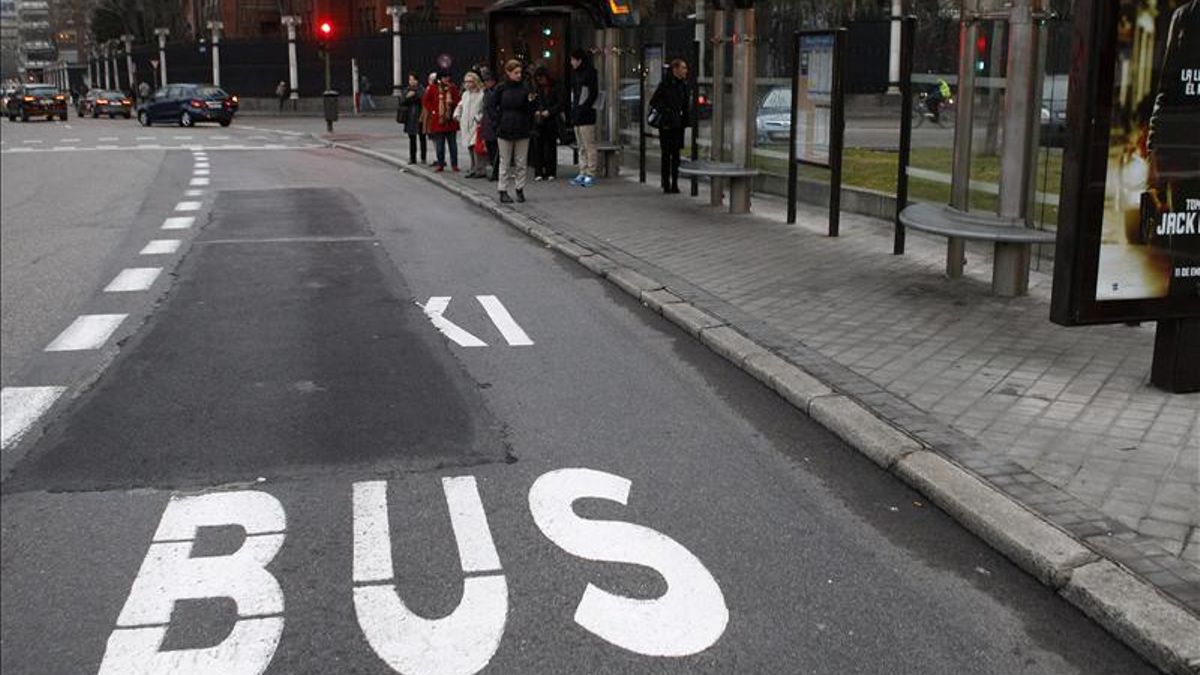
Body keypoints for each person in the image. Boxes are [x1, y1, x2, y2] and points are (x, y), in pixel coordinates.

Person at [489, 59, 536, 203]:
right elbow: (491, 105)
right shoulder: (501, 88)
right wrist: (497, 122)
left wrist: (531, 103)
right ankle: (502, 189)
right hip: (505, 128)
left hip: (522, 128)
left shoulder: (525, 88)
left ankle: (519, 188)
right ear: (508, 73)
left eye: (520, 72)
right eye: (515, 72)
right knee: (505, 161)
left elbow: (531, 108)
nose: (519, 75)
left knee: (521, 162)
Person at [650, 58, 692, 194]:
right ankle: (666, 182)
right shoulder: (665, 84)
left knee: (676, 155)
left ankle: (675, 182)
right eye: (683, 68)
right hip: (667, 124)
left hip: (678, 124)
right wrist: (667, 111)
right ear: (675, 69)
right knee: (666, 154)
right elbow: (654, 101)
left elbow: (685, 105)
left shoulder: (684, 85)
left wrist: (686, 119)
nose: (685, 71)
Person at [568, 48, 599, 187]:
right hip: (577, 113)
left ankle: (591, 173)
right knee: (581, 146)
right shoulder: (575, 74)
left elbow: (593, 94)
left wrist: (583, 108)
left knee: (589, 145)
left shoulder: (590, 73)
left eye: (573, 60)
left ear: (579, 60)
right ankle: (583, 171)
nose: (571, 63)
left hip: (586, 114)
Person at [423, 69, 461, 172]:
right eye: (444, 77)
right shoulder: (433, 88)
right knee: (440, 145)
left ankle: (454, 164)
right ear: (440, 78)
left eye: (448, 77)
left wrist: (452, 104)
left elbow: (458, 100)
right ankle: (440, 164)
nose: (446, 79)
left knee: (453, 144)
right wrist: (433, 111)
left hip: (450, 120)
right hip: (438, 120)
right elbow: (426, 100)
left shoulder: (452, 88)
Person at [530, 66, 564, 181]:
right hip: (539, 120)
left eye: (542, 78)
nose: (540, 81)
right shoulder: (537, 89)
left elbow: (560, 103)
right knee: (538, 146)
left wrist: (549, 111)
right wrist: (535, 111)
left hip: (551, 120)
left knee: (550, 147)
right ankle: (539, 171)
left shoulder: (555, 88)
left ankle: (551, 171)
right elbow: (532, 102)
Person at [455, 71, 486, 178]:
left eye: (470, 81)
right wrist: (457, 114)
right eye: (466, 82)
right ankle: (473, 167)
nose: (467, 84)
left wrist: (478, 118)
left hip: (476, 124)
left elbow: (484, 109)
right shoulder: (465, 94)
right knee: (470, 147)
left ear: (475, 81)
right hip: (465, 123)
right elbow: (460, 105)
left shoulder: (481, 94)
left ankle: (480, 169)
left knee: (476, 147)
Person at [397, 71, 426, 164]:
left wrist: (414, 95)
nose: (411, 81)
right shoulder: (407, 90)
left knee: (422, 137)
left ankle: (423, 157)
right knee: (412, 139)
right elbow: (401, 101)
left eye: (413, 79)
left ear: (416, 80)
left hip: (420, 116)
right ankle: (412, 158)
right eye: (410, 79)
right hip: (409, 117)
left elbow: (423, 99)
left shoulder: (421, 89)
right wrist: (408, 97)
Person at [480, 68, 500, 180]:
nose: (486, 83)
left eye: (488, 81)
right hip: (487, 124)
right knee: (490, 149)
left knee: (496, 149)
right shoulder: (486, 92)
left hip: (494, 123)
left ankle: (496, 171)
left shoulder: (496, 91)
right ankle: (493, 169)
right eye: (485, 81)